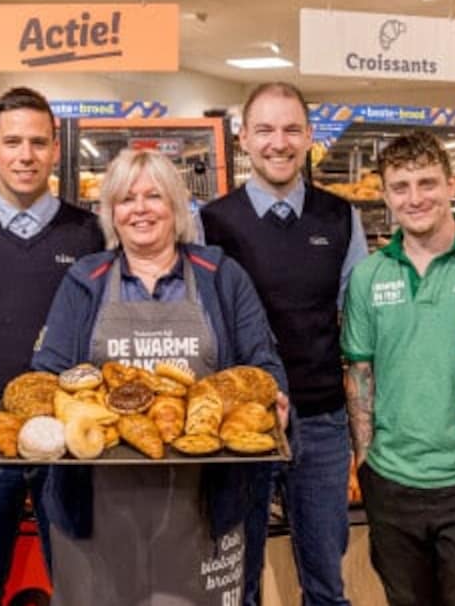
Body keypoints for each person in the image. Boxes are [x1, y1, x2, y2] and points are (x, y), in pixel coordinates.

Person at [33, 148, 289, 605]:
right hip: (97, 502)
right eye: (127, 199)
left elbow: (263, 368)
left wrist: (277, 405)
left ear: (175, 206)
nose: (141, 209)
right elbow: (48, 374)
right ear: (111, 213)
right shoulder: (85, 279)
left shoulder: (221, 276)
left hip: (204, 503)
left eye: (154, 196)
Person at [0, 86, 105, 605]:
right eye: (12, 142)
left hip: (72, 443)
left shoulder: (90, 235)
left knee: (81, 585)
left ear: (55, 148)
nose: (24, 156)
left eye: (36, 142)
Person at [201, 81, 368, 606]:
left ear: (310, 138)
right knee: (235, 581)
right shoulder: (209, 223)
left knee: (326, 583)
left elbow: (356, 325)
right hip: (239, 426)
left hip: (320, 424)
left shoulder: (342, 218)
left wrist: (362, 436)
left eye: (292, 129)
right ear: (244, 137)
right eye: (266, 129)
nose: (280, 142)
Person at [340, 131, 455, 605]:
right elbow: (361, 373)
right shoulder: (368, 275)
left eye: (427, 183)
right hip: (391, 483)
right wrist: (367, 465)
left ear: (452, 185)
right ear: (385, 194)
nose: (415, 198)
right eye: (401, 187)